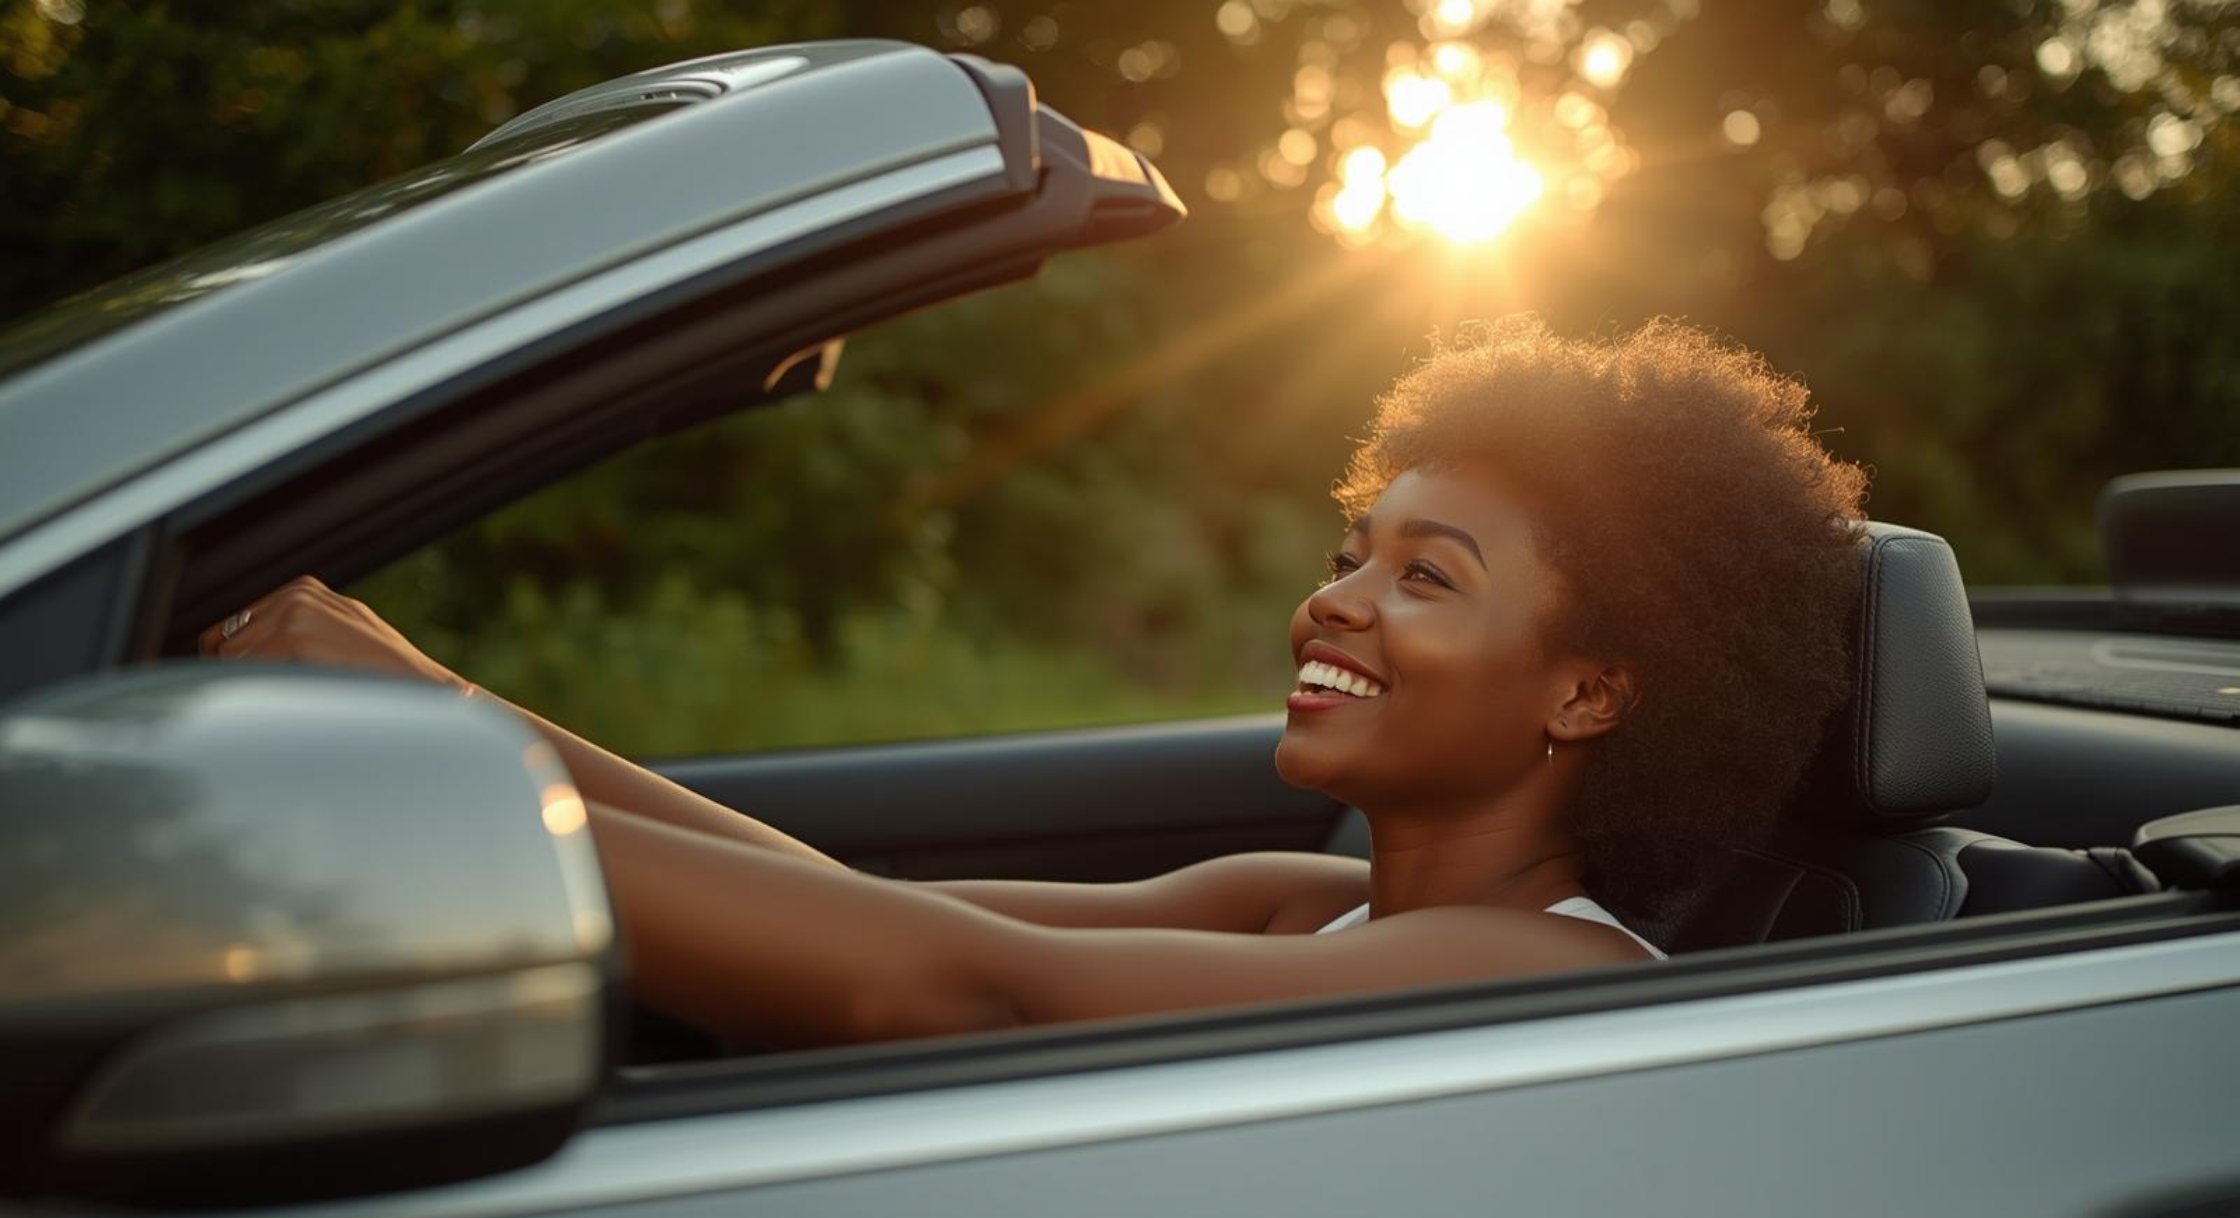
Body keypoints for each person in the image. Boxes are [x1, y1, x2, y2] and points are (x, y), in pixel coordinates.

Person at [201, 316, 1868, 1047]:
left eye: (1423, 578)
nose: (1329, 604)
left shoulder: (1534, 975)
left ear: (1590, 695)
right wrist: (442, 701)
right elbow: (842, 910)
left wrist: (394, 770)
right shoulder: (1311, 908)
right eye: (1354, 550)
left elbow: (963, 995)